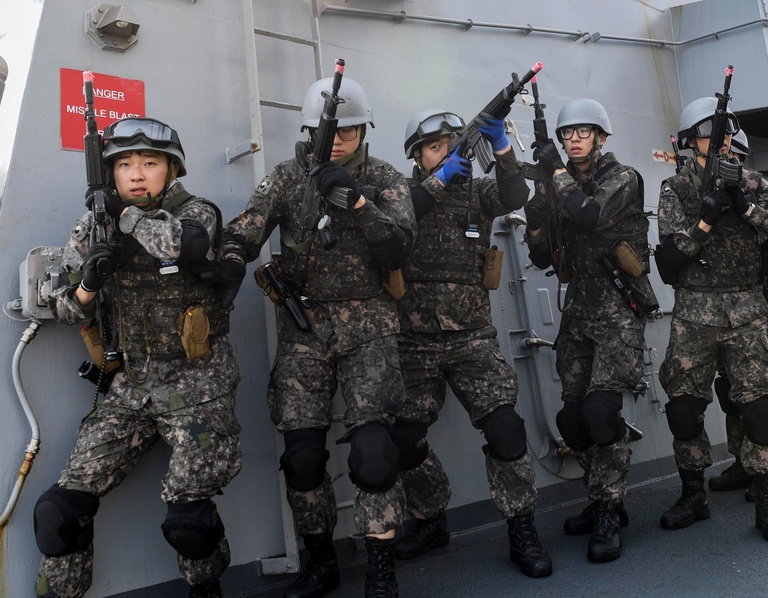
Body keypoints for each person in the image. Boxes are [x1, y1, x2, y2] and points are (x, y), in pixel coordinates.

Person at [219, 77, 414, 597]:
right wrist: (231, 258)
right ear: (312, 130)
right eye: (332, 130)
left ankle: (380, 567)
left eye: (351, 130)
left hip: (369, 326)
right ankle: (322, 560)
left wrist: (355, 203)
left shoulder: (385, 177)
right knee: (302, 457)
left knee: (373, 454)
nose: (340, 140)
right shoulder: (286, 178)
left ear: (363, 130)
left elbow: (398, 248)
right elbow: (246, 229)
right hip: (305, 330)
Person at [34, 117, 242, 598]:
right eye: (123, 164)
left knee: (189, 523)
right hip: (131, 387)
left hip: (198, 387)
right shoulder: (92, 226)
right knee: (59, 513)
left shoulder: (196, 212)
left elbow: (185, 246)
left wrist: (123, 218)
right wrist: (89, 283)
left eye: (149, 163)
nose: (135, 174)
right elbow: (65, 309)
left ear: (171, 169)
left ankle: (206, 589)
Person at [391, 109, 552, 577]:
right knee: (403, 441)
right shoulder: (396, 193)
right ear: (417, 155)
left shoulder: (477, 194)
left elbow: (516, 193)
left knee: (506, 430)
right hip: (414, 339)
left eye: (451, 144)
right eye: (435, 146)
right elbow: (392, 220)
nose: (445, 153)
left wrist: (502, 148)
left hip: (471, 336)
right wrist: (438, 181)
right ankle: (430, 517)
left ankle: (522, 527)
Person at [656, 96, 768, 543]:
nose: (717, 144)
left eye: (722, 136)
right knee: (684, 407)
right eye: (708, 135)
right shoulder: (675, 189)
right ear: (690, 142)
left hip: (746, 310)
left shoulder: (754, 183)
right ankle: (693, 494)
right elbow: (668, 261)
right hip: (694, 313)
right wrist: (705, 221)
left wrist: (744, 206)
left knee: (758, 408)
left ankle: (767, 500)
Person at [523, 99, 656, 563]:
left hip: (619, 306)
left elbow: (589, 216)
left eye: (583, 132)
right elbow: (541, 255)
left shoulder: (623, 178)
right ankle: (602, 498)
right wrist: (538, 216)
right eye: (566, 134)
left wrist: (555, 175)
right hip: (579, 309)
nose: (573, 140)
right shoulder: (560, 185)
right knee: (572, 418)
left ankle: (608, 509)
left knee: (602, 412)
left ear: (600, 137)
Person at [706, 129, 768, 503]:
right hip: (724, 303)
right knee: (729, 387)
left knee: (756, 392)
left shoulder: (762, 190)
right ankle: (743, 460)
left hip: (761, 301)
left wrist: (745, 204)